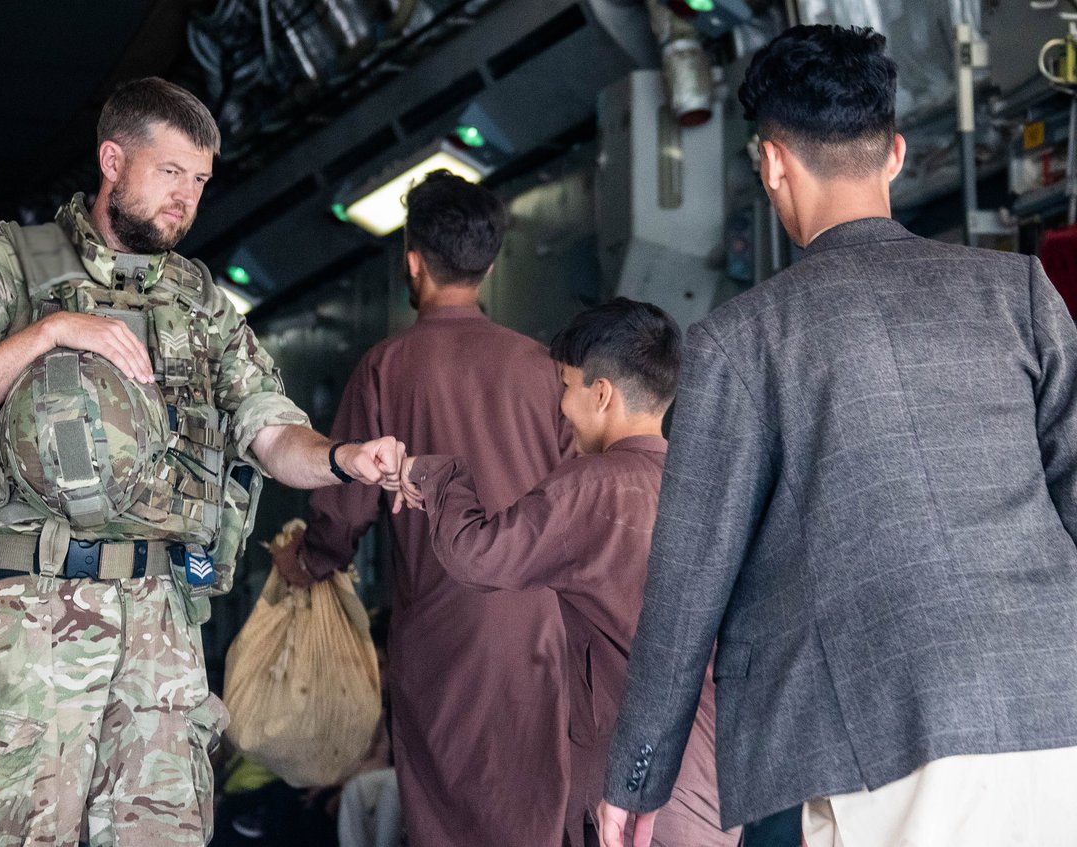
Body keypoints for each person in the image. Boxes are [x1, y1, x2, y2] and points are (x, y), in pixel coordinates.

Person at [598, 24, 1077, 847]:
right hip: (1056, 709)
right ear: (894, 154)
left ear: (772, 163)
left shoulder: (741, 340)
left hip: (879, 741)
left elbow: (687, 587)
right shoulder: (1016, 292)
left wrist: (639, 779)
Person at [0, 77, 404, 847]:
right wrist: (52, 332)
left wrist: (342, 458)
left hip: (162, 620)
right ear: (113, 159)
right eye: (171, 173)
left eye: (200, 181)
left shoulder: (202, 304)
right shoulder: (3, 267)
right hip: (35, 618)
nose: (187, 199)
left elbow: (269, 431)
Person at [272, 170, 572, 846]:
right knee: (534, 814)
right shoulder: (544, 368)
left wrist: (309, 559)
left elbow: (344, 509)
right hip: (540, 634)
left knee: (446, 821)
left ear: (412, 259)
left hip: (440, 636)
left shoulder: (386, 367)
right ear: (491, 262)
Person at [397, 298, 739, 847]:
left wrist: (437, 476)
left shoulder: (593, 486)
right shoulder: (713, 488)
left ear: (601, 393)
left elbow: (476, 552)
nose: (561, 406)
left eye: (566, 386)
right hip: (717, 787)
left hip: (634, 797)